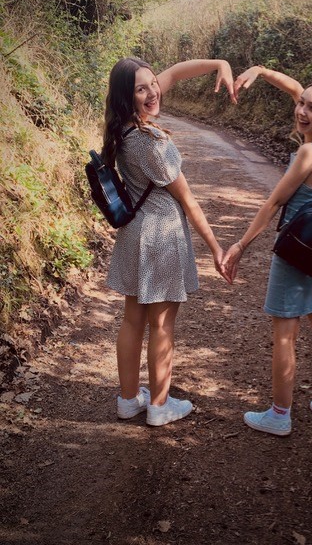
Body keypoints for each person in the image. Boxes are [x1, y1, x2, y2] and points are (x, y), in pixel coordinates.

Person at [102, 57, 235, 427]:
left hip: (134, 234)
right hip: (160, 235)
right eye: (141, 89)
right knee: (162, 324)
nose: (152, 92)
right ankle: (159, 405)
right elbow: (188, 201)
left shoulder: (124, 128)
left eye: (151, 84)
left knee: (132, 321)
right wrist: (216, 248)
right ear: (128, 97)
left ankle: (129, 400)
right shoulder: (152, 143)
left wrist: (218, 64)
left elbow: (173, 74)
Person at [223, 65, 312, 436]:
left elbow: (273, 204)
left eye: (310, 108)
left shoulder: (307, 153)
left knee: (285, 334)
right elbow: (297, 87)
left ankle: (279, 415)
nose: (301, 111)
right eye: (301, 104)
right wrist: (261, 72)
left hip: (295, 253)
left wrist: (240, 244)